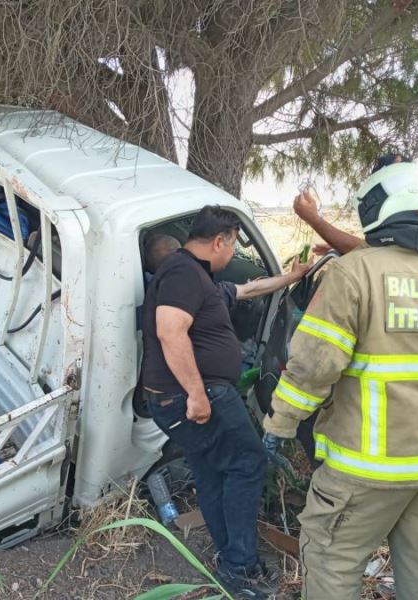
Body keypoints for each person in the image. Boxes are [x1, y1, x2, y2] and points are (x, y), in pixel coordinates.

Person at [262, 161, 418, 599]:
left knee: (333, 563)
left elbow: (314, 364)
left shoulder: (354, 273)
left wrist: (279, 424)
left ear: (376, 211)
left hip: (367, 469)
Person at [141, 206, 312, 599]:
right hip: (196, 395)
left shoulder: (197, 278)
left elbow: (246, 290)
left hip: (186, 395)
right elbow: (170, 332)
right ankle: (241, 567)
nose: (232, 254)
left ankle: (229, 557)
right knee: (248, 462)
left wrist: (292, 277)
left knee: (212, 470)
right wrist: (198, 395)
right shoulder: (183, 272)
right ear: (220, 240)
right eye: (232, 245)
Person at [293, 152, 418, 259]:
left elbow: (377, 254)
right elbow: (382, 248)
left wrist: (314, 219)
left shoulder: (413, 210)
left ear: (397, 163)